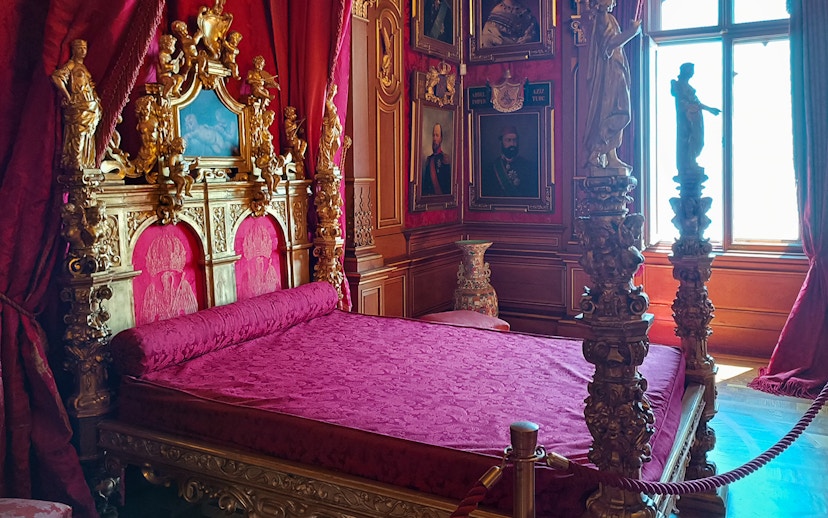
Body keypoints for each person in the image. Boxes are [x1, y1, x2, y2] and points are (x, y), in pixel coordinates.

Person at [583, 0, 641, 172]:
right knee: (617, 112)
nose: (613, 1)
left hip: (617, 68)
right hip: (610, 72)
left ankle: (611, 156)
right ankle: (597, 150)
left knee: (616, 111)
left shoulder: (611, 19)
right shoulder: (602, 17)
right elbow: (609, 44)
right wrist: (632, 32)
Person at [51, 39, 102, 169]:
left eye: (85, 48)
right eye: (80, 48)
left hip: (90, 104)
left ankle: (86, 162)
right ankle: (75, 162)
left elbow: (90, 86)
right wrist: (67, 96)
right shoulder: (71, 65)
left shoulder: (83, 67)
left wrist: (96, 101)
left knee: (89, 133)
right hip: (78, 104)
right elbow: (57, 77)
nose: (83, 51)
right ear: (74, 50)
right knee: (78, 133)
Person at [671, 62, 721, 170]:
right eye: (691, 70)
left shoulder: (688, 88)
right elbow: (682, 102)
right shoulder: (677, 85)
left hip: (695, 116)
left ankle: (691, 161)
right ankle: (689, 163)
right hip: (688, 117)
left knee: (698, 141)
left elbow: (697, 103)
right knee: (690, 140)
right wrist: (690, 109)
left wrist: (710, 109)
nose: (692, 73)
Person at [481, 125, 538, 197]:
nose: (512, 144)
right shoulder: (491, 168)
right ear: (501, 142)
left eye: (515, 140)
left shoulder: (529, 166)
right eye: (508, 140)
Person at [422, 122, 451, 196]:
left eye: (437, 135)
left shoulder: (445, 159)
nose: (434, 138)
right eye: (433, 135)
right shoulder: (429, 160)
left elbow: (448, 189)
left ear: (441, 139)